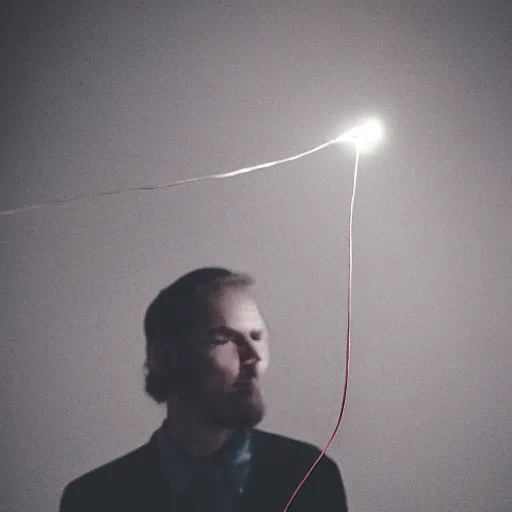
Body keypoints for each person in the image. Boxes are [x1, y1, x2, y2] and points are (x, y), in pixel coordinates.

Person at [59, 267, 348, 511]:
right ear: (165, 358)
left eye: (257, 336)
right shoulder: (94, 500)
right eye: (223, 338)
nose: (253, 356)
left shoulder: (310, 477)